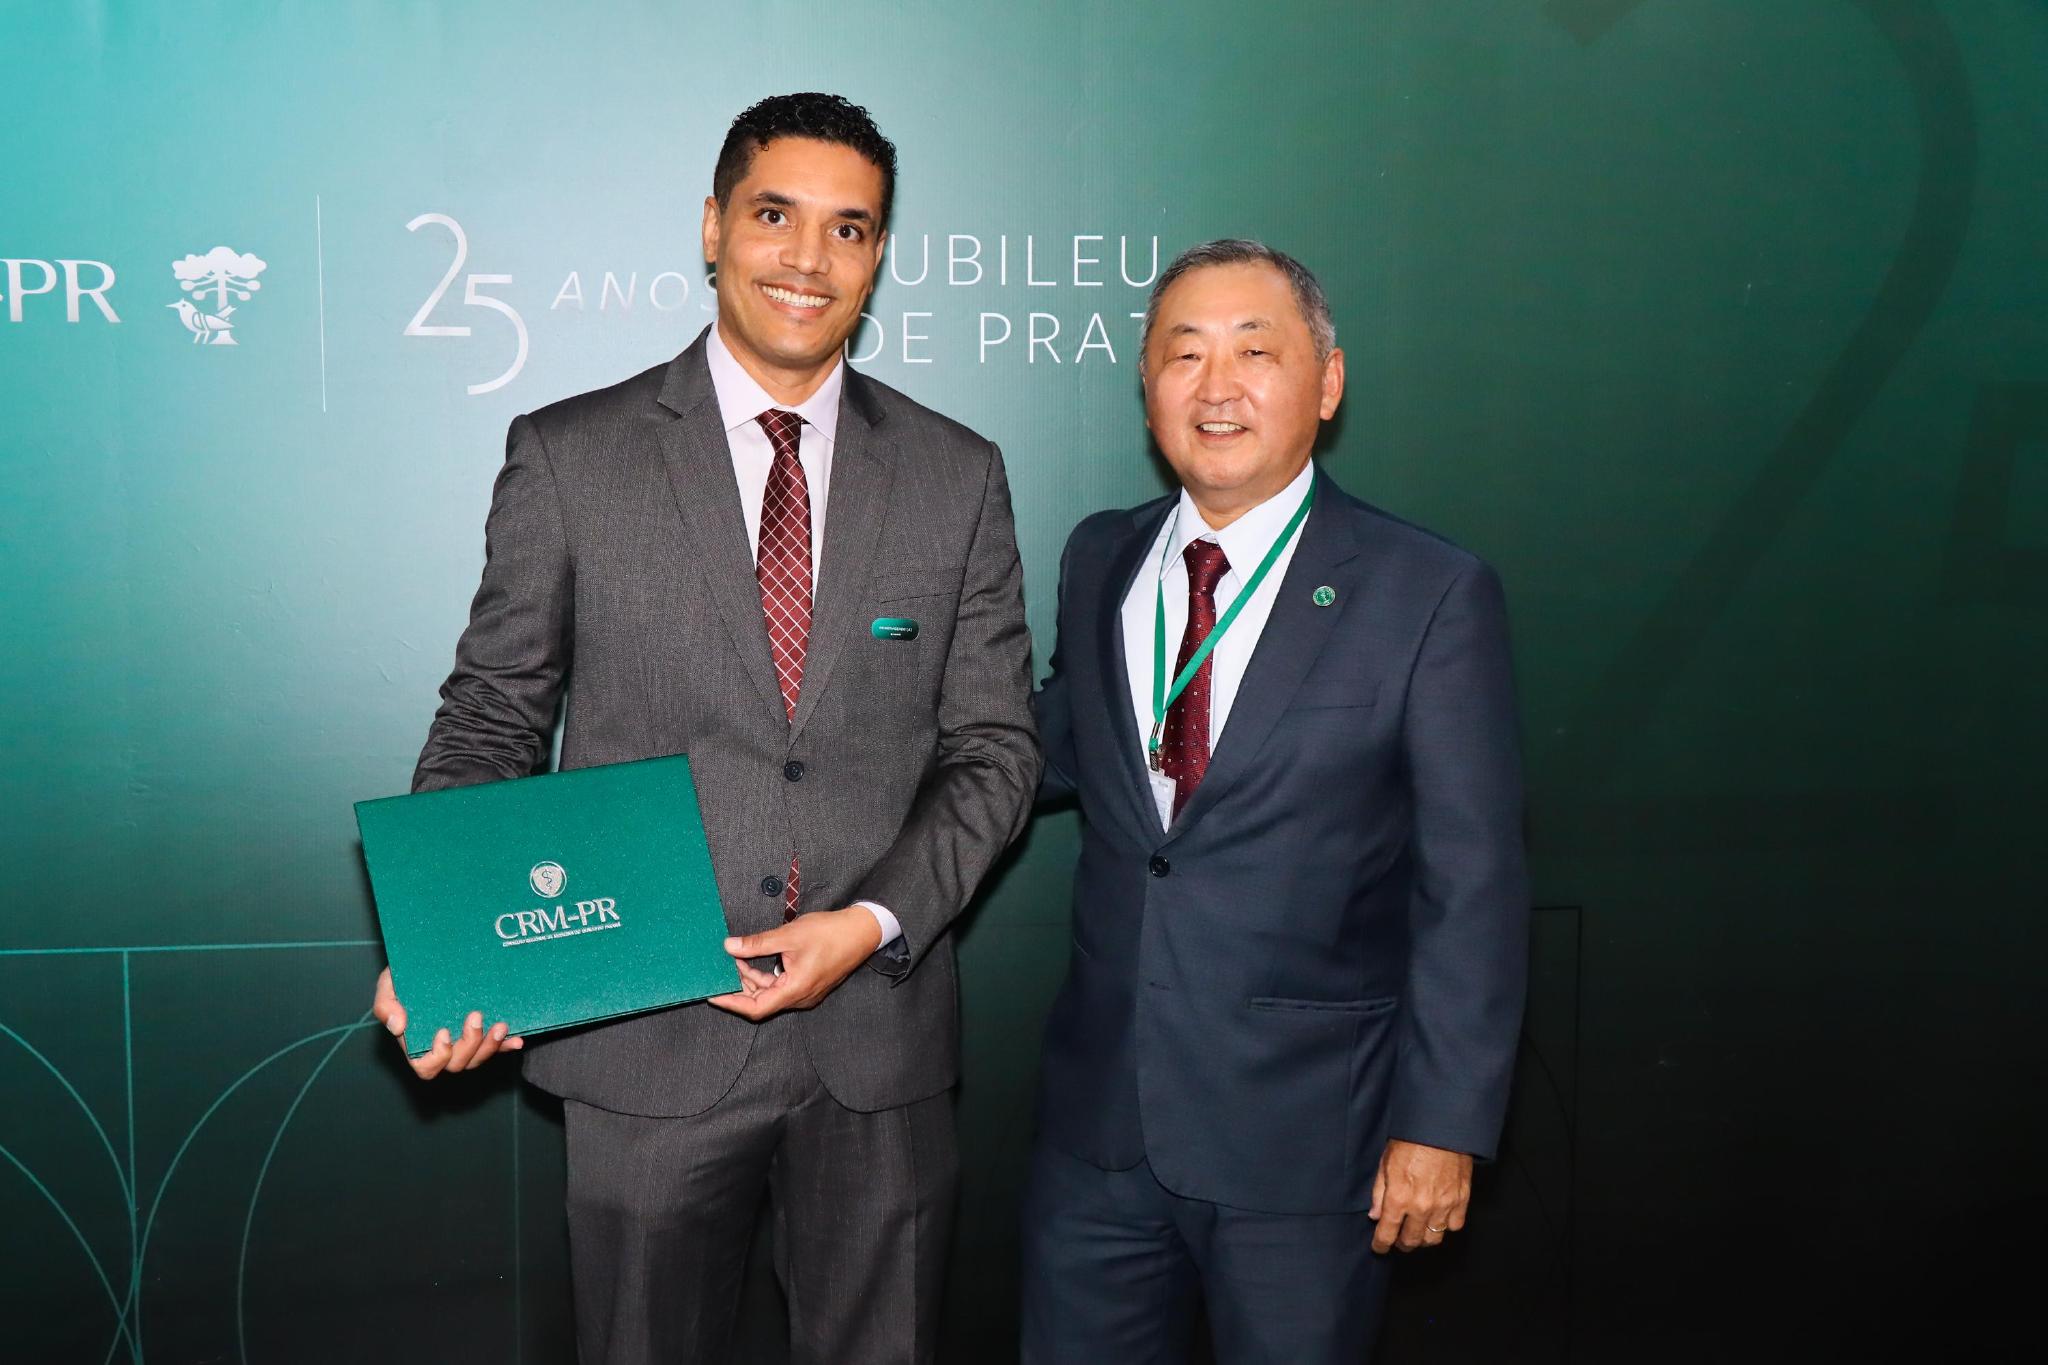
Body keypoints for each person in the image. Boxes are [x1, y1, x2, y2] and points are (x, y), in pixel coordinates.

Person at [370, 93, 1040, 1365]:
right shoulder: (571, 455)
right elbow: (493, 717)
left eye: (849, 228)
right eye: (775, 215)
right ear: (712, 227)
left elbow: (994, 749)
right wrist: (447, 939)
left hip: (878, 1048)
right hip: (643, 1040)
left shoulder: (957, 474)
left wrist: (871, 922)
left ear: (878, 256)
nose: (808, 257)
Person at [1022, 239, 1528, 1362]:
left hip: (1311, 1149)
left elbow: (1474, 885)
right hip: (1097, 1138)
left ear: (1327, 383)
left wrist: (1442, 1124)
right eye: (1183, 354)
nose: (1216, 386)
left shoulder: (1427, 590)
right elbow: (1041, 751)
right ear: (1146, 385)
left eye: (1255, 352)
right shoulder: (1100, 557)